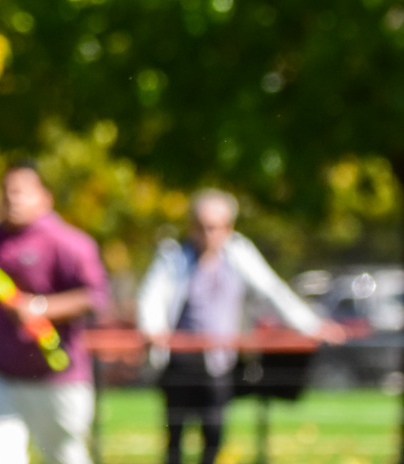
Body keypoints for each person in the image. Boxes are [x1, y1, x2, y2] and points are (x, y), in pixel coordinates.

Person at [137, 189, 346, 464]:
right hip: (180, 364)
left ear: (228, 228)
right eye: (200, 227)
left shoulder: (238, 254)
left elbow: (273, 291)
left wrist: (312, 326)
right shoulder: (174, 256)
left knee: (214, 434)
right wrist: (153, 329)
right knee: (174, 438)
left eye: (213, 228)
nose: (207, 234)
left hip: (219, 363)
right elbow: (152, 297)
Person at [0, 163, 109, 464]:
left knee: (66, 456)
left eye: (21, 191)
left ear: (45, 197)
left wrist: (41, 307)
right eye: (6, 191)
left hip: (57, 377)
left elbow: (95, 296)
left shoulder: (68, 242)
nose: (12, 198)